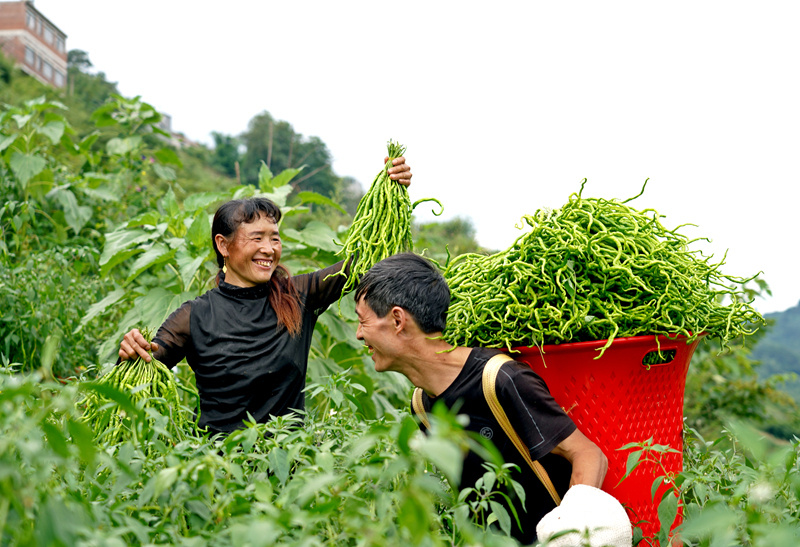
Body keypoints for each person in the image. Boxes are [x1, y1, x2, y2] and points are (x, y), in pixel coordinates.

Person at [117, 156, 412, 435]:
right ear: (223, 245)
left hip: (288, 460)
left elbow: (365, 261)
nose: (269, 249)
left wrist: (389, 191)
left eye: (275, 238)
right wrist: (131, 352)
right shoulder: (195, 316)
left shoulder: (298, 295)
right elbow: (138, 376)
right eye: (256, 238)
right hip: (215, 464)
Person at [353, 252, 610, 545]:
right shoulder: (421, 404)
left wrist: (569, 534)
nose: (359, 335)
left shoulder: (499, 379)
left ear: (398, 319)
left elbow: (589, 455)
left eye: (363, 321)